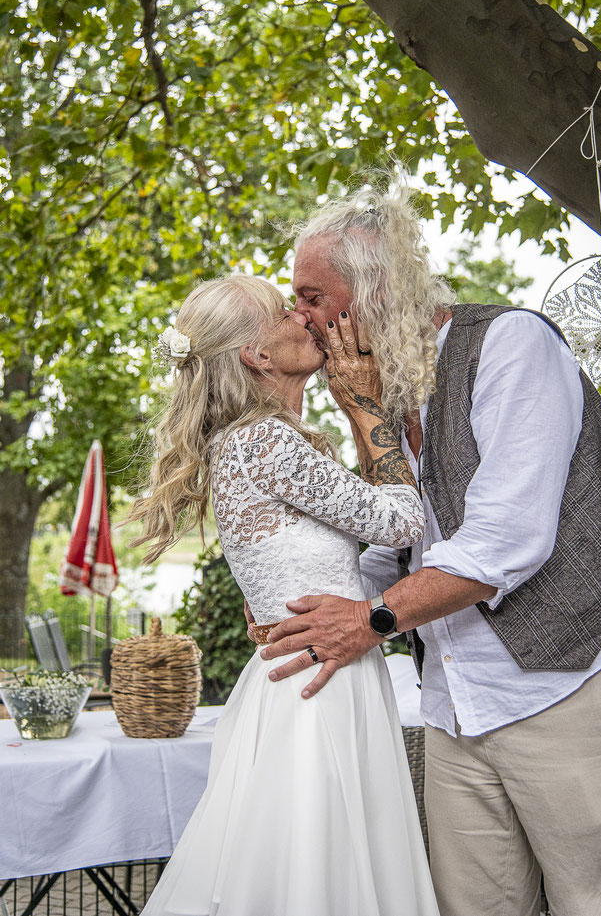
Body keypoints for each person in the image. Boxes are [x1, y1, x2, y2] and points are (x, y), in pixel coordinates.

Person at [259, 184, 601, 916]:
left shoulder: (511, 343)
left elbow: (503, 541)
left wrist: (370, 621)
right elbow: (391, 549)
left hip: (565, 685)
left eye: (312, 295)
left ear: (376, 288)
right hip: (455, 708)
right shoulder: (383, 395)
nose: (301, 318)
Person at [129, 274, 441, 916]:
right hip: (321, 690)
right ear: (258, 356)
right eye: (284, 312)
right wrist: (367, 408)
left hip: (300, 674)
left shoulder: (238, 443)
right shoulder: (266, 440)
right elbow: (402, 521)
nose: (306, 318)